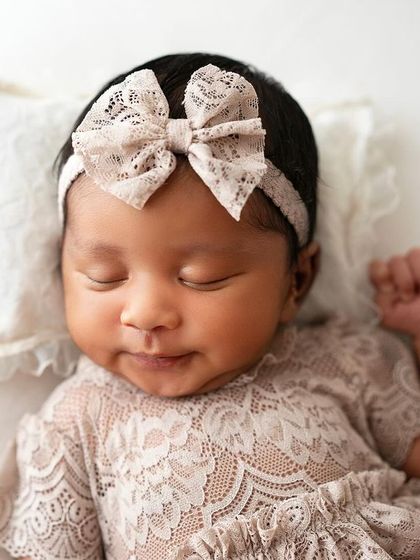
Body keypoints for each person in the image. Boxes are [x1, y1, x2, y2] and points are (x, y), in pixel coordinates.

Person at [1, 52, 420, 560]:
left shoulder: (346, 356)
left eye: (203, 279)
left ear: (298, 280)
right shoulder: (75, 420)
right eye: (104, 277)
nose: (146, 314)